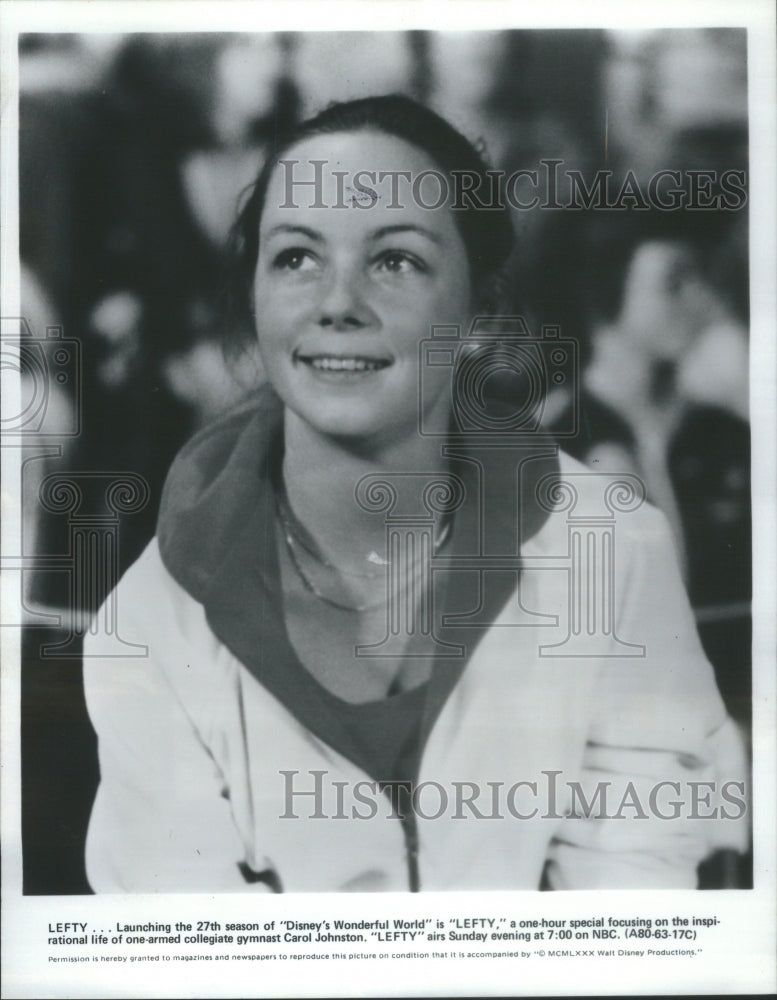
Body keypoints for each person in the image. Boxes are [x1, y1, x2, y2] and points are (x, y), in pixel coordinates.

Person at [84, 95, 747, 893]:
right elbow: (183, 952)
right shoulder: (151, 621)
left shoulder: (613, 550)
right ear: (254, 294)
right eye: (295, 257)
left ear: (478, 313)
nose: (336, 302)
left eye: (395, 260)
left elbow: (635, 901)